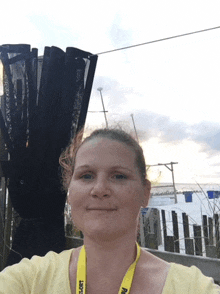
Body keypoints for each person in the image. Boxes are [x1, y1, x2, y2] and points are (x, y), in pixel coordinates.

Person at [0, 128, 219, 294]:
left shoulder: (191, 288)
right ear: (70, 191)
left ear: (145, 192)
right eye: (86, 176)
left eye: (119, 176)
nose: (100, 189)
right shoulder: (30, 280)